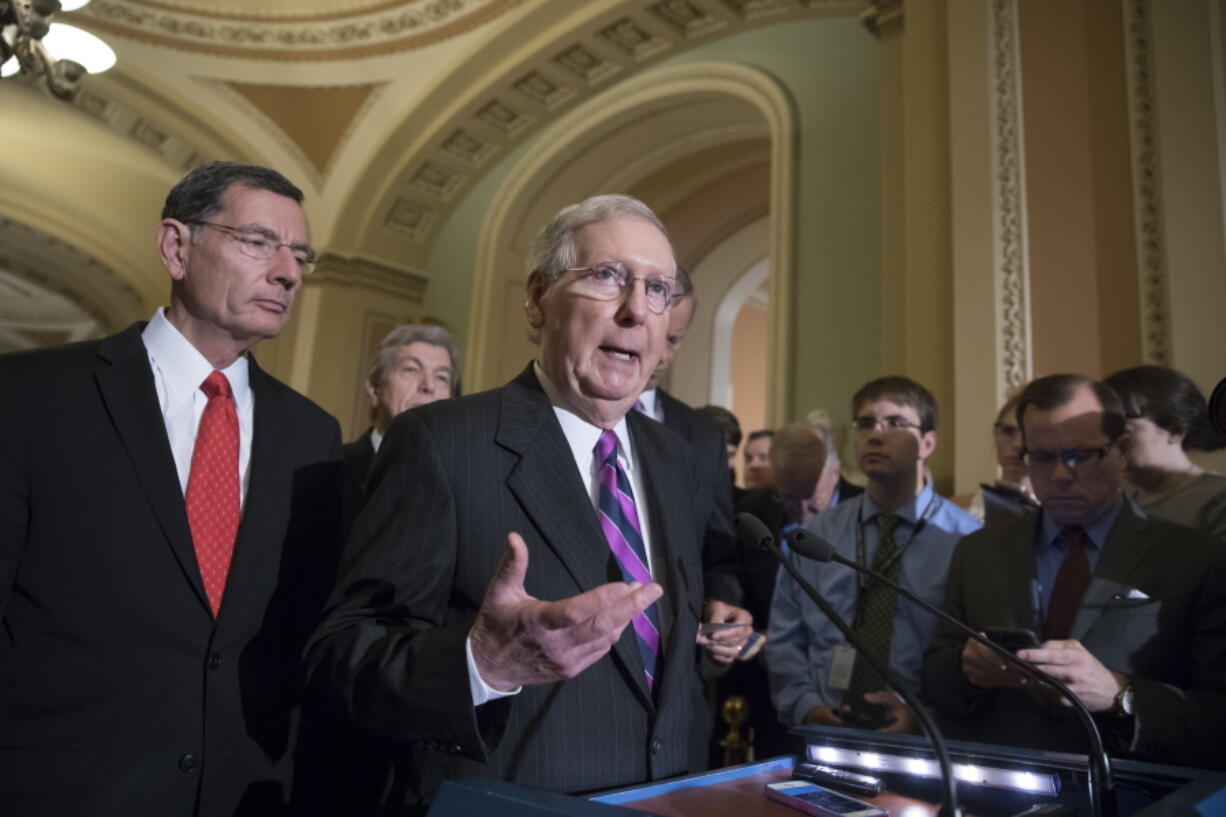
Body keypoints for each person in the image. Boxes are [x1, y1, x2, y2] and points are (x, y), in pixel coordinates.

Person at [304, 194, 750, 808]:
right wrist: (481, 662)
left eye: (658, 290)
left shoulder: (680, 458)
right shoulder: (442, 442)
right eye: (606, 277)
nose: (634, 313)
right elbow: (341, 655)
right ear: (537, 298)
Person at [0, 161, 343, 816]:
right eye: (257, 242)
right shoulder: (29, 397)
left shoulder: (312, 435)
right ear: (176, 246)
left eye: (299, 255)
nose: (288, 272)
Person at [922, 374, 1226, 767]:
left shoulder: (1195, 558)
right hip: (999, 791)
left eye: (1081, 455)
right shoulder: (979, 551)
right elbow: (934, 676)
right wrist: (967, 667)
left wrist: (1121, 695)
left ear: (1121, 451)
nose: (1061, 475)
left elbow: (1218, 718)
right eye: (1044, 458)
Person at [768, 376, 980, 734]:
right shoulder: (818, 536)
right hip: (826, 728)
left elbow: (971, 661)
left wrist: (926, 721)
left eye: (895, 423)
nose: (876, 435)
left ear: (927, 442)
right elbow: (786, 635)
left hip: (926, 739)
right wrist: (805, 706)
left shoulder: (965, 540)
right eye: (865, 424)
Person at [343, 324, 460, 532]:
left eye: (441, 377)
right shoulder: (332, 470)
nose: (428, 386)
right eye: (411, 369)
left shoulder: (464, 485)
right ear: (374, 387)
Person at [1104, 365, 1226, 540]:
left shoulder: (1217, 500)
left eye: (1122, 427)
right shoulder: (1115, 507)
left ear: (1174, 430)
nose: (1110, 441)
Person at [967, 392, 1040, 526]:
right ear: (996, 435)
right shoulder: (957, 509)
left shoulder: (1066, 515)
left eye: (1030, 433)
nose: (1018, 444)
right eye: (1009, 431)